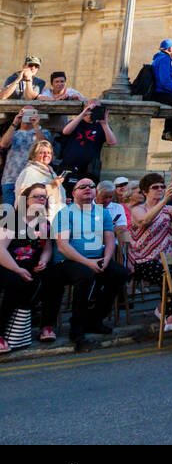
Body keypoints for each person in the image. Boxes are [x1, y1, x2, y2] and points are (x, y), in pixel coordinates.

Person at [52, 179, 128, 351]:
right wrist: (88, 263)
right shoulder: (65, 213)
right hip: (68, 261)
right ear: (73, 193)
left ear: (96, 192)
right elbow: (62, 246)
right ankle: (77, 331)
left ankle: (95, 319)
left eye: (91, 186)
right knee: (86, 275)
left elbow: (109, 240)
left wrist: (106, 260)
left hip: (96, 258)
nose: (88, 188)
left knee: (120, 273)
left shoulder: (103, 213)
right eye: (82, 187)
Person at [0, 183, 58, 351]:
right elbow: (1, 249)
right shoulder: (12, 219)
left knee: (54, 278)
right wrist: (17, 269)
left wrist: (44, 261)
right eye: (37, 196)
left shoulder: (44, 223)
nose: (41, 199)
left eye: (44, 197)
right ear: (26, 200)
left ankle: (46, 326)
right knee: (16, 283)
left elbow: (46, 249)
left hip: (32, 265)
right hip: (8, 264)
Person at [127, 173, 172, 301]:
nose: (160, 189)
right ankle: (168, 313)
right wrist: (165, 200)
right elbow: (144, 221)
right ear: (144, 192)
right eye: (155, 187)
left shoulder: (169, 209)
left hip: (168, 259)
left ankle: (165, 310)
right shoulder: (138, 209)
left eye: (162, 186)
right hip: (144, 261)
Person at [59, 100, 116, 182]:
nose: (93, 111)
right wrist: (83, 114)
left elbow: (112, 142)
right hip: (69, 166)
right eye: (90, 108)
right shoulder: (76, 122)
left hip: (89, 169)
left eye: (96, 108)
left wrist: (104, 124)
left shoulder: (101, 126)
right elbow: (66, 131)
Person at [1, 106, 46, 207]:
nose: (28, 115)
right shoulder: (13, 133)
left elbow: (42, 146)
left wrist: (36, 126)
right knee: (9, 217)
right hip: (10, 179)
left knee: (26, 218)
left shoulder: (41, 133)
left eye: (32, 113)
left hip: (31, 182)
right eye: (25, 112)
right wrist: (15, 122)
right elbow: (3, 144)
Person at [14, 139, 66, 218]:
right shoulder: (29, 172)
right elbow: (26, 197)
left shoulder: (51, 172)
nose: (46, 155)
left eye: (49, 153)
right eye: (42, 153)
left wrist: (62, 200)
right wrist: (52, 186)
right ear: (33, 156)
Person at [94, 182, 130, 251]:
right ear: (96, 193)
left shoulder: (118, 207)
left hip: (114, 248)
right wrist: (112, 229)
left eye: (110, 197)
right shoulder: (86, 206)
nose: (108, 200)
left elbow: (122, 229)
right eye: (104, 197)